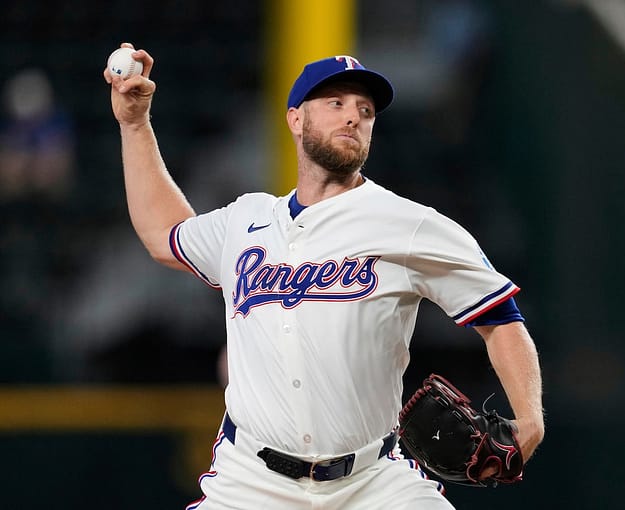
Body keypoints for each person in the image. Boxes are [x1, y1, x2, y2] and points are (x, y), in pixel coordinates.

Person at [104, 42, 544, 510]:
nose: (353, 117)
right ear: (296, 119)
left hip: (373, 482)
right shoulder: (246, 221)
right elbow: (163, 234)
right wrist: (134, 124)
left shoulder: (409, 224)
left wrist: (530, 417)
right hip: (251, 483)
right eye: (335, 103)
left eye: (365, 110)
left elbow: (500, 318)